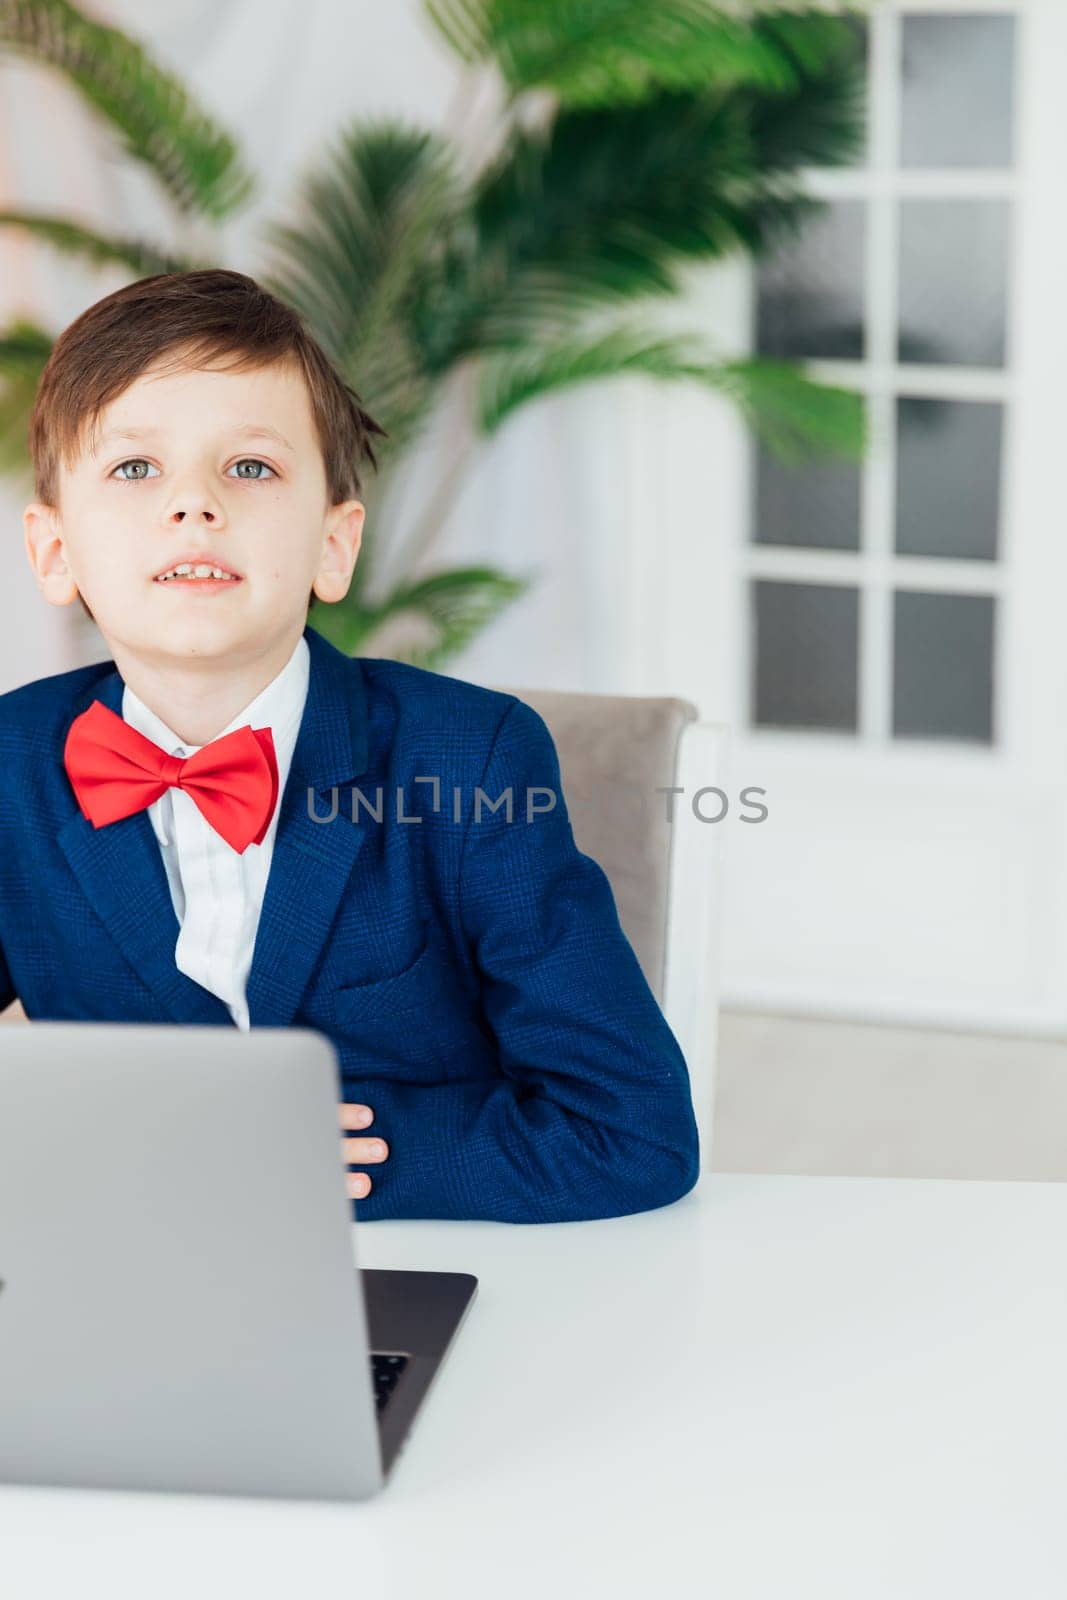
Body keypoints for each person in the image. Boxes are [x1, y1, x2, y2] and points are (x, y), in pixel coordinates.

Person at [1, 267, 700, 1223]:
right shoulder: (9, 765)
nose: (193, 505)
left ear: (335, 546)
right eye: (135, 469)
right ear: (53, 551)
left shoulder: (473, 761)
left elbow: (634, 1133)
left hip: (411, 1272)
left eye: (249, 468)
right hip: (120, 1273)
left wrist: (355, 1156)